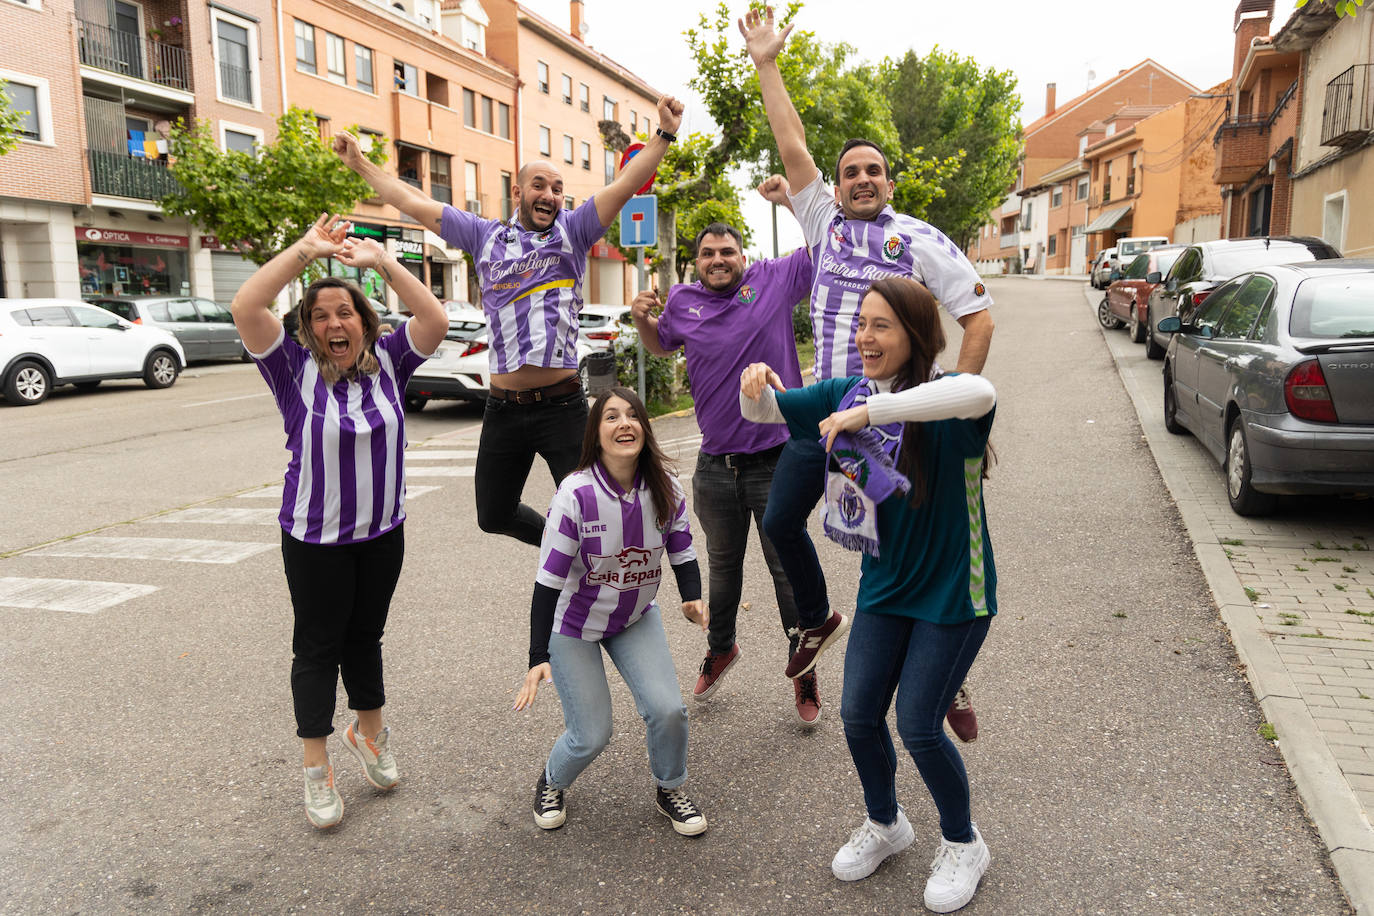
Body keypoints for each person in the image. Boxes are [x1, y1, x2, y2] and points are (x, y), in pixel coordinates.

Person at [741, 6, 992, 741]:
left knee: (914, 551)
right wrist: (766, 64)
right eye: (848, 171)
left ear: (889, 180)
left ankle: (946, 675)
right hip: (828, 412)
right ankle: (818, 618)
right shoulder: (820, 220)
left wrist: (945, 408)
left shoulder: (920, 240)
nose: (858, 179)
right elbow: (791, 147)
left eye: (871, 170)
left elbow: (980, 318)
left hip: (896, 423)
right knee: (782, 518)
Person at [740, 276, 997, 913]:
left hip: (953, 593)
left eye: (880, 325)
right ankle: (886, 823)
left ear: (915, 334)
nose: (865, 336)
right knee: (857, 716)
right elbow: (767, 412)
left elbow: (982, 387)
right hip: (884, 586)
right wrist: (755, 389)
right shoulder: (843, 390)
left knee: (917, 724)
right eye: (861, 324)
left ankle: (964, 842)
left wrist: (871, 412)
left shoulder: (946, 402)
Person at [333, 97, 684, 547]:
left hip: (563, 408)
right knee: (493, 513)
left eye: (558, 188)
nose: (551, 195)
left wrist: (665, 133)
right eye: (539, 185)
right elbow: (413, 202)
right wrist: (360, 163)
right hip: (503, 408)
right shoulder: (483, 236)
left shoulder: (573, 232)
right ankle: (563, 549)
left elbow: (625, 184)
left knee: (599, 510)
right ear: (517, 193)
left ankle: (607, 591)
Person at [230, 214, 449, 829]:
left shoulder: (392, 363)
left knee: (366, 637)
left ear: (365, 323)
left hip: (383, 533)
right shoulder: (290, 371)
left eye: (345, 313)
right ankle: (316, 769)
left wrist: (381, 263)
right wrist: (307, 250)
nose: (334, 323)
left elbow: (433, 319)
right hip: (316, 540)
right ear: (307, 328)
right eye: (321, 315)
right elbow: (247, 304)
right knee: (318, 647)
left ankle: (370, 736)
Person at [629, 218, 822, 726]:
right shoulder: (682, 302)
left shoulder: (775, 279)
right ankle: (722, 649)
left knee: (786, 571)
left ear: (744, 254)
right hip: (715, 464)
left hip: (777, 457)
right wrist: (640, 318)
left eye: (728, 251)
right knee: (722, 566)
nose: (719, 259)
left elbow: (823, 242)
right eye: (709, 252)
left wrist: (792, 201)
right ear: (697, 261)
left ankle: (804, 665)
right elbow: (660, 345)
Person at [513, 387, 710, 836]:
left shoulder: (665, 486)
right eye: (611, 417)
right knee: (591, 735)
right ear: (596, 434)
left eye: (632, 415)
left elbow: (681, 548)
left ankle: (669, 787)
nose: (624, 423)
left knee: (668, 711)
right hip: (574, 624)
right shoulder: (576, 494)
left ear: (644, 427)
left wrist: (692, 596)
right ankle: (551, 780)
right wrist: (537, 655)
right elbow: (547, 582)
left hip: (633, 617)